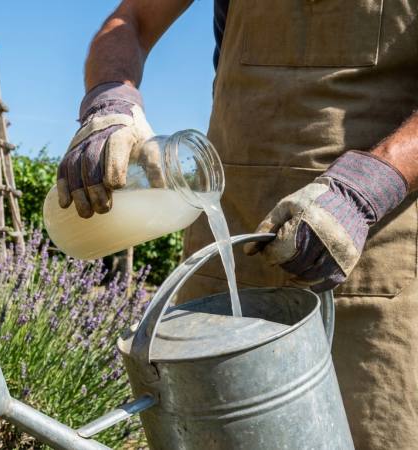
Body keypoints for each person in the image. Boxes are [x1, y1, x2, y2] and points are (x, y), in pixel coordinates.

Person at [57, 1, 418, 448]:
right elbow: (131, 19)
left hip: (368, 250)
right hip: (227, 234)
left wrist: (374, 183)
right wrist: (110, 98)